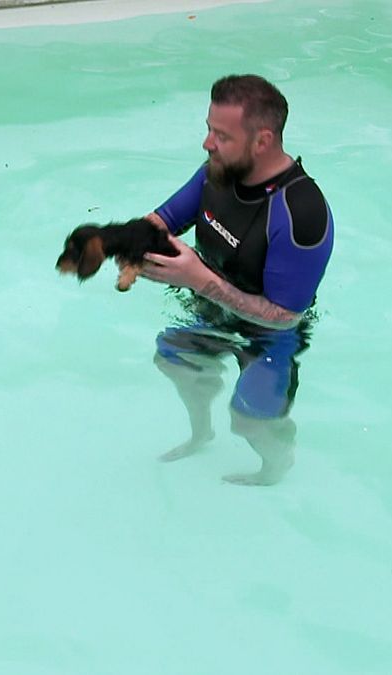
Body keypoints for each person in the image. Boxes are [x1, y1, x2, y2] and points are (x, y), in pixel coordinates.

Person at [139, 74, 334, 486]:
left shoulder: (301, 213)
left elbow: (284, 318)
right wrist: (123, 243)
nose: (208, 143)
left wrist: (198, 280)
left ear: (262, 141)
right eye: (209, 129)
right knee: (171, 357)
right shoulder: (217, 172)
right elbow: (163, 220)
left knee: (250, 421)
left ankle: (276, 467)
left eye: (221, 135)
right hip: (216, 310)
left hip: (270, 336)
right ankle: (201, 433)